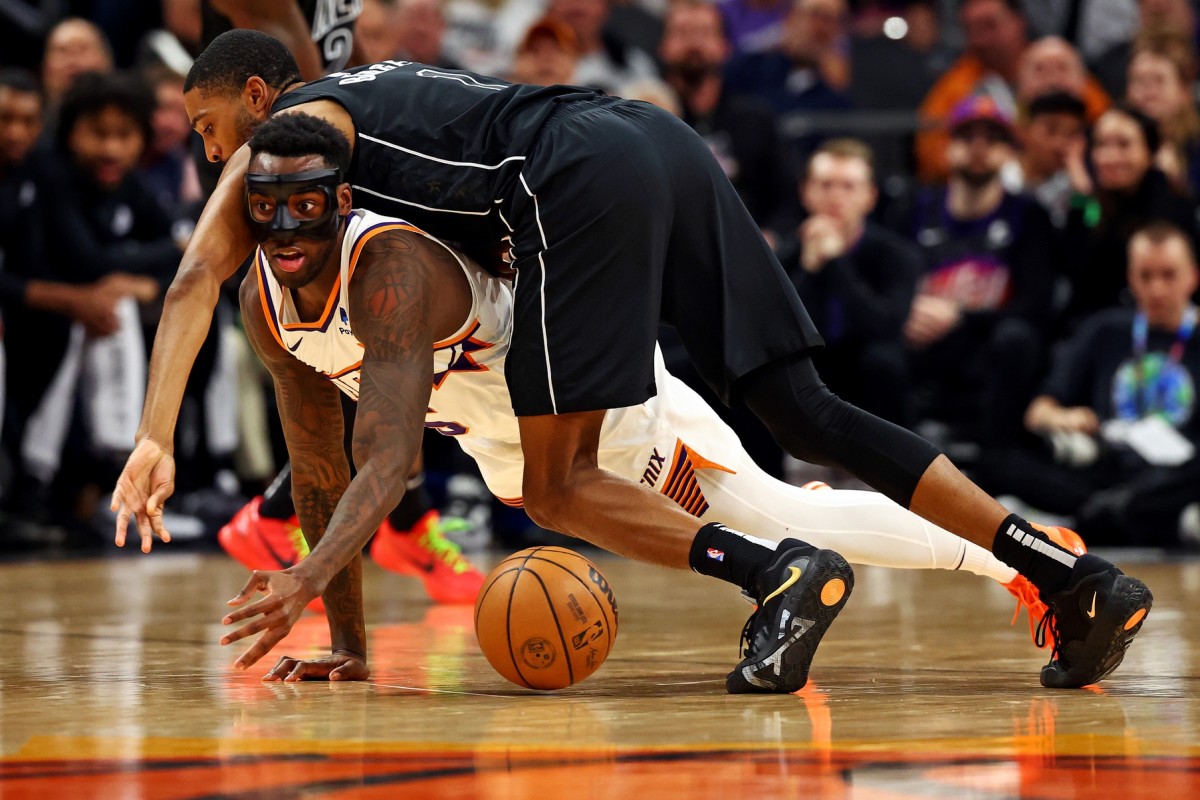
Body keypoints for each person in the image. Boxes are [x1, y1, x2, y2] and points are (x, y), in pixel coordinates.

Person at [112, 30, 1153, 692]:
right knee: (801, 410)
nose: (219, 165)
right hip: (642, 142)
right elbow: (319, 446)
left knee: (590, 489)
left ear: (261, 105)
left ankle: (801, 578)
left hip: (571, 189)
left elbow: (206, 287)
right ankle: (1063, 567)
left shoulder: (330, 182)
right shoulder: (300, 250)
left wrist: (158, 434)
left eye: (215, 134)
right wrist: (342, 630)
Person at [976, 221, 1200, 547]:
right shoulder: (1105, 330)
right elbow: (1038, 412)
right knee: (998, 463)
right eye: (1145, 276)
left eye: (1168, 275)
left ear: (1192, 276)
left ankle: (1084, 522)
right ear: (1129, 276)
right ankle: (1144, 521)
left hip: (1175, 472)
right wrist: (1064, 418)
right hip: (1107, 468)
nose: (1157, 289)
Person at [898, 96, 1057, 447]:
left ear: (1010, 152)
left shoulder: (1029, 216)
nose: (979, 148)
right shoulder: (914, 206)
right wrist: (905, 312)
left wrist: (961, 316)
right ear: (947, 148)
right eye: (967, 138)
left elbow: (1036, 304)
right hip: (921, 340)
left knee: (1017, 338)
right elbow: (888, 279)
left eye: (993, 139)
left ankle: (999, 453)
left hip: (985, 343)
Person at [784, 139, 921, 427]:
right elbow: (776, 332)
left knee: (883, 361)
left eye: (848, 186)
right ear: (805, 192)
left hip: (865, 369)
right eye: (825, 185)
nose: (835, 197)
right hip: (810, 370)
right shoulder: (783, 257)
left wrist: (835, 263)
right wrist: (809, 269)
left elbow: (884, 327)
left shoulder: (898, 255)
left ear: (870, 196)